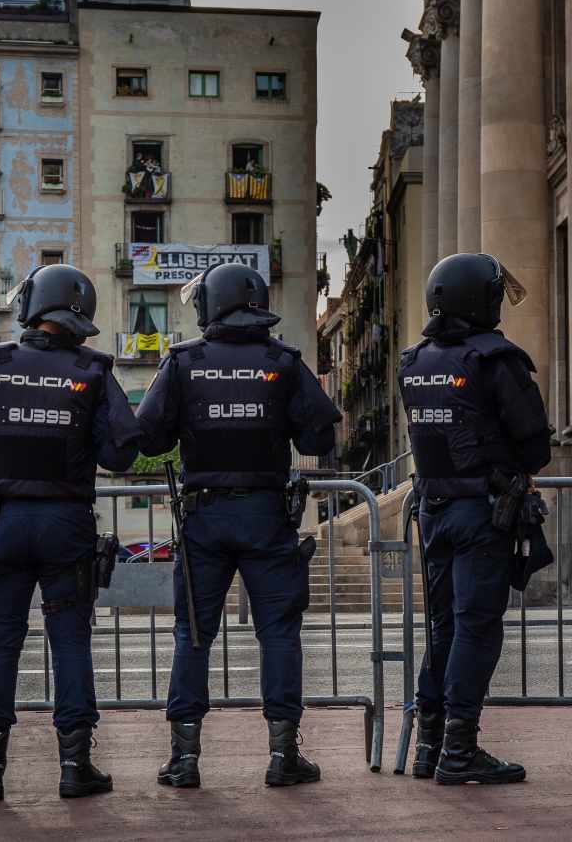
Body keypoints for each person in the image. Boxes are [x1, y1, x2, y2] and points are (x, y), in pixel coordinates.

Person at [0, 263, 141, 801]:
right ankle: (76, 767)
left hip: (4, 521)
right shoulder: (93, 371)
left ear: (30, 307)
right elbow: (123, 451)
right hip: (66, 523)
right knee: (70, 641)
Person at [136, 262, 339, 789]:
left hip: (204, 517)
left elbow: (149, 438)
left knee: (193, 634)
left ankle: (184, 760)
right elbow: (320, 437)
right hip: (266, 516)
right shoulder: (282, 361)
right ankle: (283, 755)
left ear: (211, 304)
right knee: (279, 634)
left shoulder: (184, 362)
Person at [397, 253, 551, 785]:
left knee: (443, 630)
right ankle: (459, 749)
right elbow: (535, 447)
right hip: (482, 513)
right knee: (476, 629)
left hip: (433, 510)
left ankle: (430, 745)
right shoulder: (495, 359)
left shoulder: (413, 361)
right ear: (478, 299)